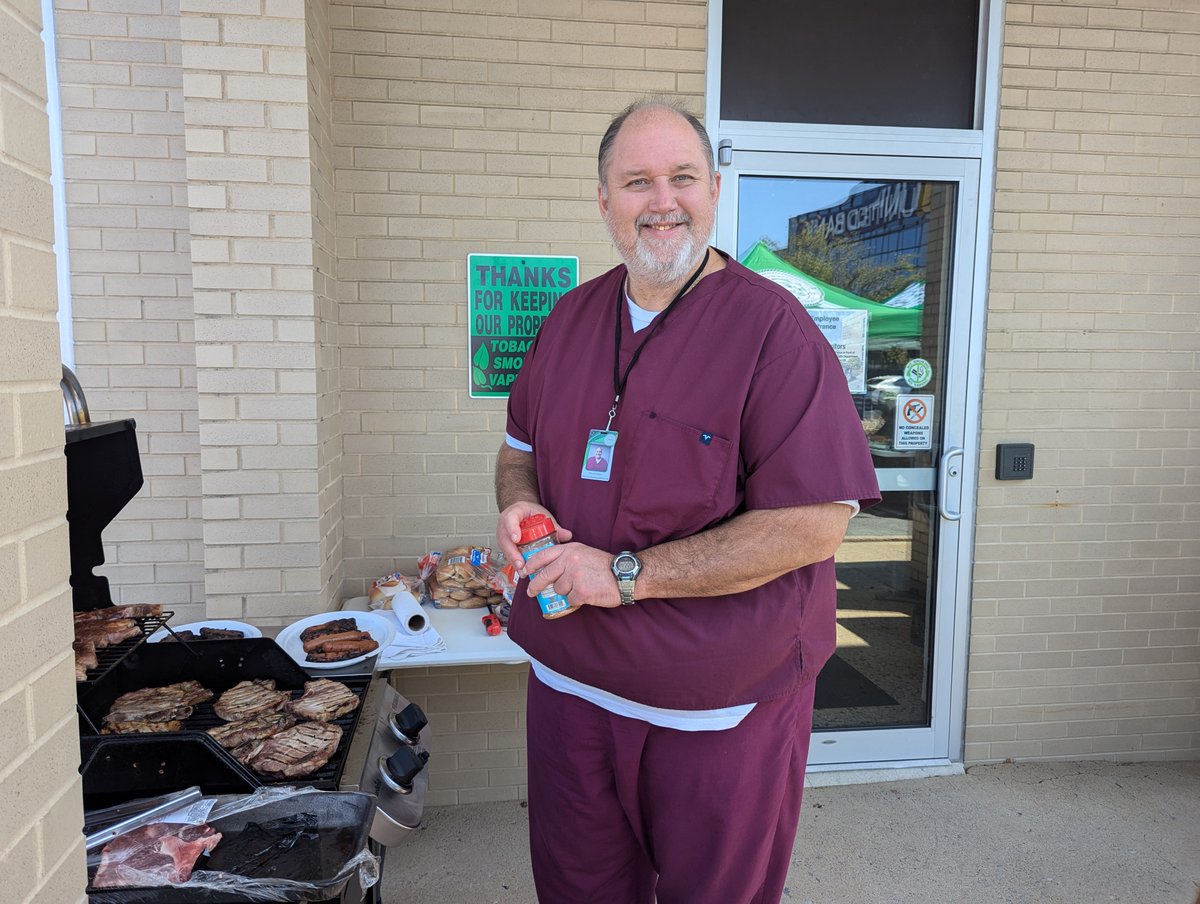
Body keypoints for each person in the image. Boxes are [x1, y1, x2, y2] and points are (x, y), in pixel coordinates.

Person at [493, 97, 880, 904]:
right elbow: (518, 451)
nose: (662, 201)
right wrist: (517, 505)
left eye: (682, 178)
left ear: (713, 189)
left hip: (716, 712)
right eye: (637, 181)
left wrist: (626, 575)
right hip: (569, 692)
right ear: (605, 202)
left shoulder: (775, 332)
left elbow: (816, 523)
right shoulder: (567, 320)